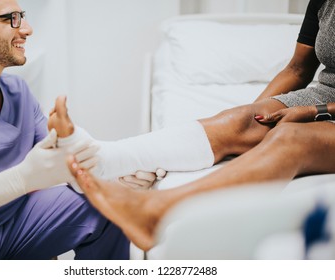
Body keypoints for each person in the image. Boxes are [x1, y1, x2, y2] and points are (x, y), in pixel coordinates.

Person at [64, 0, 335, 251]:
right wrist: (249, 119)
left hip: (325, 106)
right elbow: (298, 69)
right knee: (237, 122)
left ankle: (154, 213)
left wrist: (317, 112)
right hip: (325, 93)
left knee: (291, 138)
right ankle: (97, 159)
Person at [0, 0, 160, 260]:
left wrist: (115, 175)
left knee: (109, 206)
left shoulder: (17, 93)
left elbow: (61, 160)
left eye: (22, 16)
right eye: (10, 19)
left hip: (15, 222)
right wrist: (21, 179)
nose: (27, 29)